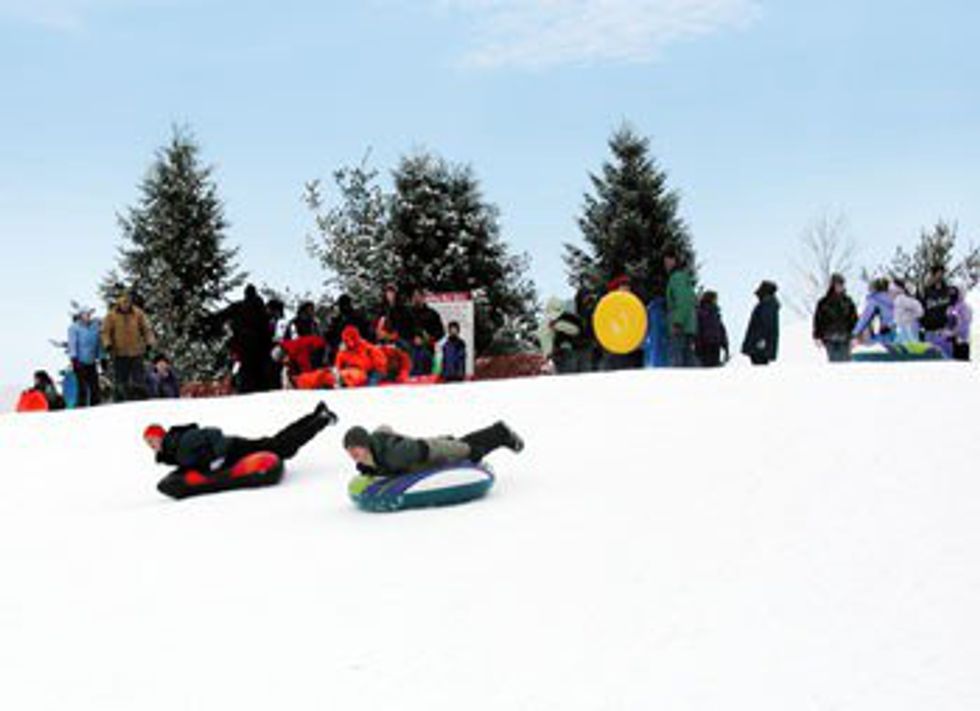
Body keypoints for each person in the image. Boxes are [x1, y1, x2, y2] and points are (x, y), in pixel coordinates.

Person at [144, 401, 337, 475]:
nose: (151, 446)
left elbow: (213, 433)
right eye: (148, 444)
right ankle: (316, 415)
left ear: (161, 436)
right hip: (232, 451)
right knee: (277, 442)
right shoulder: (172, 451)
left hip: (234, 449)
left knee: (282, 448)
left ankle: (322, 420)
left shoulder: (181, 440)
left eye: (152, 441)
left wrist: (218, 457)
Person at [342, 421, 523, 478]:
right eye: (348, 450)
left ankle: (501, 434)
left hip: (437, 453)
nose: (352, 453)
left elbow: (432, 448)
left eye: (355, 447)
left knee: (473, 450)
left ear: (365, 444)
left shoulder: (396, 453)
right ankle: (499, 431)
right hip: (428, 458)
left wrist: (467, 450)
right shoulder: (370, 459)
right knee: (467, 443)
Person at [212, 285, 275, 394]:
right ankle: (259, 388)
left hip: (241, 344)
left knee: (244, 369)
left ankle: (241, 388)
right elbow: (267, 329)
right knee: (258, 370)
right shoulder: (262, 309)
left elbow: (221, 316)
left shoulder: (238, 306)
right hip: (260, 346)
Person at [101, 290, 155, 401]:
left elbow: (146, 329)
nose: (126, 304)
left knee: (138, 377)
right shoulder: (111, 316)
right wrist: (108, 344)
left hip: (136, 351)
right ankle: (120, 399)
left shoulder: (138, 313)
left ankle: (140, 398)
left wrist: (149, 342)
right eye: (123, 302)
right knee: (121, 379)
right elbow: (105, 332)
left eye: (127, 302)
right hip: (120, 352)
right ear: (119, 302)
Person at [813, 274, 858, 363]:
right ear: (832, 285)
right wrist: (817, 336)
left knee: (846, 364)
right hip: (829, 337)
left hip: (845, 337)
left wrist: (855, 337)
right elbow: (818, 320)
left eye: (842, 284)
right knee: (834, 364)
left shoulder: (848, 302)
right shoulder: (823, 302)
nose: (840, 286)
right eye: (838, 284)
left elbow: (854, 320)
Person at [664, 249, 698, 367]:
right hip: (687, 326)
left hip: (680, 328)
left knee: (677, 365)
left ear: (674, 261)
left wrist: (677, 321)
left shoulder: (677, 277)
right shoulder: (683, 277)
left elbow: (683, 300)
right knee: (687, 362)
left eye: (667, 261)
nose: (666, 264)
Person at [67, 305, 103, 407]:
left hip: (91, 361)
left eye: (89, 314)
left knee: (94, 385)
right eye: (86, 314)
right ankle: (81, 406)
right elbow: (72, 344)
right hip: (80, 361)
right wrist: (74, 358)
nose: (88, 316)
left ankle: (96, 405)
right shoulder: (74, 328)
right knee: (82, 386)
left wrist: (101, 357)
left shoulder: (94, 327)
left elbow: (98, 343)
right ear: (80, 315)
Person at [741, 280, 780, 365]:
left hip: (759, 345)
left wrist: (761, 340)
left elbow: (765, 324)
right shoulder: (768, 304)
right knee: (759, 367)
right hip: (760, 344)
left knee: (759, 367)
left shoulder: (767, 305)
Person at [853, 278, 896, 344]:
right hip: (894, 334)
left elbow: (865, 317)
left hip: (880, 335)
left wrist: (855, 332)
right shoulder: (894, 299)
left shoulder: (874, 300)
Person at [408, 287, 445, 359]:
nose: (416, 298)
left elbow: (441, 332)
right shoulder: (407, 313)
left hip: (427, 350)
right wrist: (412, 339)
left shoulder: (432, 313)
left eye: (418, 296)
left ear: (423, 297)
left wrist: (429, 338)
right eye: (414, 296)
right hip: (411, 350)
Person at [695, 291, 729, 367]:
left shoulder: (714, 312)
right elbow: (699, 329)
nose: (716, 301)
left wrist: (725, 343)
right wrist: (725, 343)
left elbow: (721, 329)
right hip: (707, 344)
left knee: (712, 366)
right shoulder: (703, 312)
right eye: (715, 299)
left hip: (713, 343)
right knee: (709, 366)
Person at [921, 264, 952, 341]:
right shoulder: (926, 291)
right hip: (930, 329)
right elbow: (922, 308)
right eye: (938, 273)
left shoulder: (947, 291)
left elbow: (951, 308)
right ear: (933, 275)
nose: (940, 275)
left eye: (942, 273)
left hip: (944, 329)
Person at [892, 278, 924, 344]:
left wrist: (909, 317)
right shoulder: (899, 299)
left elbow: (920, 312)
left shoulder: (902, 299)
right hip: (903, 329)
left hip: (908, 328)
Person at [946, 286, 973, 361]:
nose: (951, 295)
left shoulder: (964, 306)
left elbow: (965, 323)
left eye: (954, 292)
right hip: (953, 340)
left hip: (962, 340)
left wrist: (955, 332)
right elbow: (950, 321)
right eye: (950, 293)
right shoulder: (951, 307)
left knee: (962, 361)